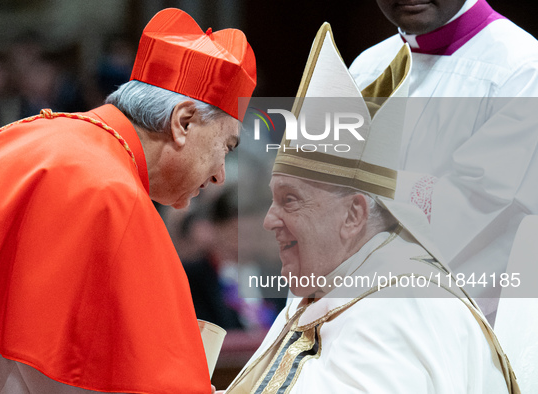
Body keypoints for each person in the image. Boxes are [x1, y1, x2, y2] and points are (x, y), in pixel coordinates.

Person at [0, 8, 256, 394]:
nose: (219, 175)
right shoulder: (114, 196)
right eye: (225, 147)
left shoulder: (22, 137)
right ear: (184, 122)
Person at [222, 22, 517, 393]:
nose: (268, 221)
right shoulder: (332, 283)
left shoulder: (399, 306)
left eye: (290, 201)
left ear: (354, 214)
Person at [349, 0, 538, 323]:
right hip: (366, 311)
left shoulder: (521, 67)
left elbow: (473, 203)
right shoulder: (367, 68)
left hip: (466, 321)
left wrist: (348, 195)